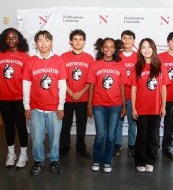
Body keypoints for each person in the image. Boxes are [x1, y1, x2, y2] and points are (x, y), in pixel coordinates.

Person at [23, 30, 67, 175]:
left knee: (55, 138)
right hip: (36, 108)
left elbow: (62, 85)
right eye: (40, 40)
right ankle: (38, 161)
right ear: (36, 43)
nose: (43, 43)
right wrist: (26, 106)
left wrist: (61, 106)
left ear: (51, 42)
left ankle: (54, 160)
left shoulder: (59, 60)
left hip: (54, 108)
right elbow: (26, 85)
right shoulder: (30, 61)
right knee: (36, 138)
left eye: (46, 40)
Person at [87, 38, 127, 173]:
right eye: (106, 46)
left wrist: (124, 105)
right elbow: (91, 86)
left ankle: (107, 161)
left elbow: (122, 87)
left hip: (115, 105)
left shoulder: (120, 64)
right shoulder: (95, 65)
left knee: (111, 135)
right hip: (98, 104)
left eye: (111, 47)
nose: (109, 49)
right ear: (101, 48)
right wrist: (89, 105)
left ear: (115, 49)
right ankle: (97, 159)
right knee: (100, 134)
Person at [130, 38, 169, 173]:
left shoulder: (160, 65)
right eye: (143, 47)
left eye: (149, 47)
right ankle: (140, 160)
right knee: (142, 136)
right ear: (140, 50)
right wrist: (133, 108)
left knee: (153, 136)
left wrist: (163, 106)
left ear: (153, 49)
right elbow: (133, 89)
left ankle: (150, 160)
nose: (146, 50)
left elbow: (163, 88)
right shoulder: (137, 67)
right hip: (141, 108)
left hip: (156, 108)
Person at [0, 28, 30, 168]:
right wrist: (2, 89)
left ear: (19, 39)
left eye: (14, 37)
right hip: (4, 98)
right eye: (8, 37)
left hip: (19, 98)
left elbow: (28, 80)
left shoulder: (25, 57)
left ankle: (23, 154)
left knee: (21, 126)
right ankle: (11, 153)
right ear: (4, 39)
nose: (11, 40)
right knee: (8, 126)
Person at [59, 29, 94, 159]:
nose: (78, 41)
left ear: (84, 42)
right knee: (65, 125)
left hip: (83, 98)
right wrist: (70, 92)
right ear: (71, 42)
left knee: (81, 125)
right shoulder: (63, 57)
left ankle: (81, 148)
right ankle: (64, 148)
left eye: (80, 39)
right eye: (75, 39)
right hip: (67, 97)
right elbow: (61, 78)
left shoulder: (89, 58)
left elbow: (91, 81)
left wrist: (80, 92)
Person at [113, 30, 138, 157]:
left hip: (134, 96)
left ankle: (132, 146)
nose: (127, 40)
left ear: (134, 41)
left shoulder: (139, 56)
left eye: (130, 38)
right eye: (124, 38)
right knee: (118, 122)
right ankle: (117, 145)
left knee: (133, 123)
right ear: (121, 40)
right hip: (119, 96)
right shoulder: (116, 56)